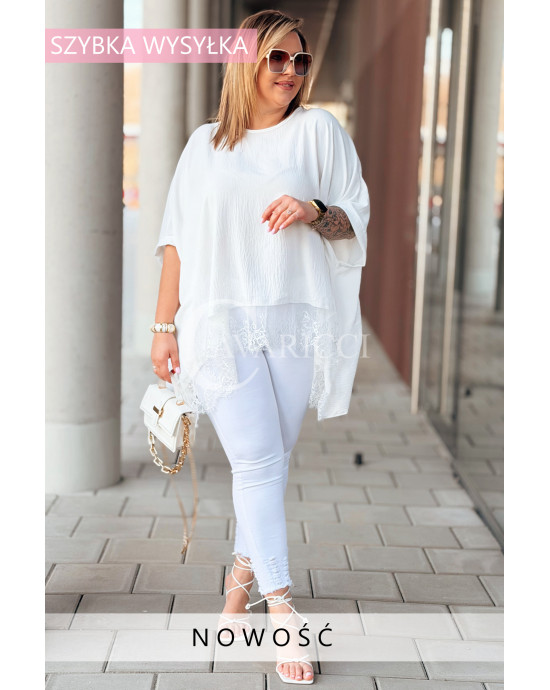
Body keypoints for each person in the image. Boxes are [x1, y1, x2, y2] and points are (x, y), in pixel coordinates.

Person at [150, 9, 370, 685]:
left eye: (300, 61)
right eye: (277, 57)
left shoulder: (319, 132)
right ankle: (282, 611)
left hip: (295, 321)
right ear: (246, 62)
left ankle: (236, 589)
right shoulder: (204, 145)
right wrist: (162, 327)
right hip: (218, 324)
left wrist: (312, 209)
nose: (291, 71)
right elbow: (176, 241)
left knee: (267, 467)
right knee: (256, 462)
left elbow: (353, 219)